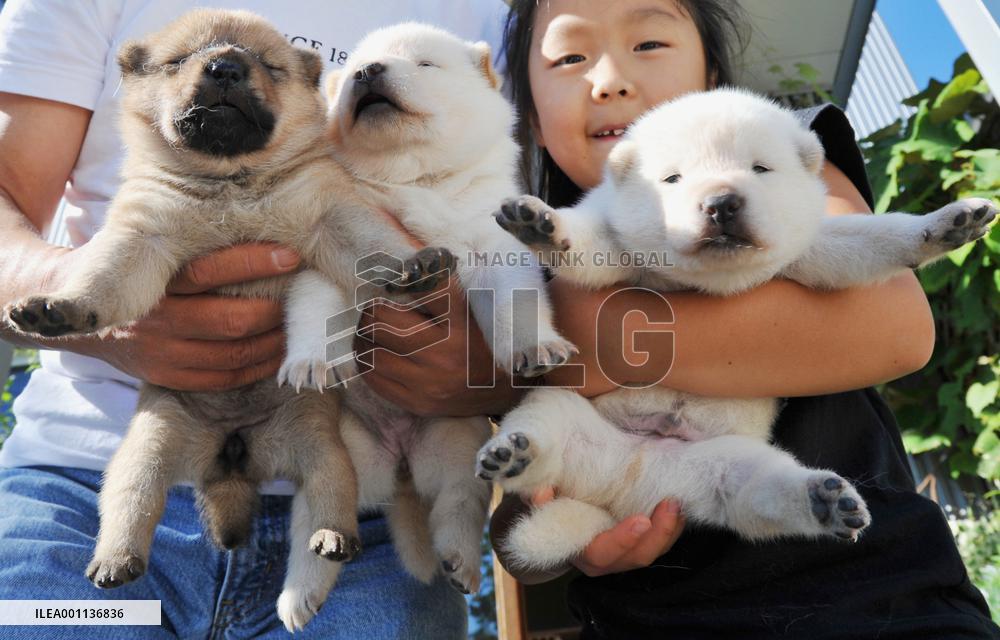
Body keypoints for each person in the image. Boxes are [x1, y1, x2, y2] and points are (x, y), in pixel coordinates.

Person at [355, 0, 1000, 637]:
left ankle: (806, 501)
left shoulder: (774, 147)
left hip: (877, 598)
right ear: (533, 123)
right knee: (548, 430)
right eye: (571, 57)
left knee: (747, 473)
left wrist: (917, 236)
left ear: (715, 78)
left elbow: (893, 318)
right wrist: (526, 534)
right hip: (651, 613)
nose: (610, 78)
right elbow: (520, 523)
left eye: (650, 44)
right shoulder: (518, 252)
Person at [0, 1, 511, 638]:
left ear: (310, 86)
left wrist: (484, 363)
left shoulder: (488, 16)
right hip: (78, 477)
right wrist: (76, 304)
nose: (224, 73)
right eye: (184, 62)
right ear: (132, 75)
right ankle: (120, 543)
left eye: (269, 69)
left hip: (361, 481)